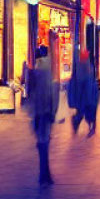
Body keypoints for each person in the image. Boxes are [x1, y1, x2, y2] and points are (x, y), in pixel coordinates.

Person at [26, 46, 59, 185]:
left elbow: (30, 94)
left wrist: (32, 113)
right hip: (46, 112)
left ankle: (44, 174)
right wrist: (53, 111)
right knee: (44, 143)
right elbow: (53, 94)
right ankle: (45, 174)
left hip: (38, 113)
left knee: (42, 143)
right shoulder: (49, 71)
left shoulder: (34, 71)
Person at [69, 50, 100, 136]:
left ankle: (88, 126)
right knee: (87, 112)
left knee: (84, 112)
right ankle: (89, 127)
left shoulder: (84, 67)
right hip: (87, 96)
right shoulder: (86, 67)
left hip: (86, 96)